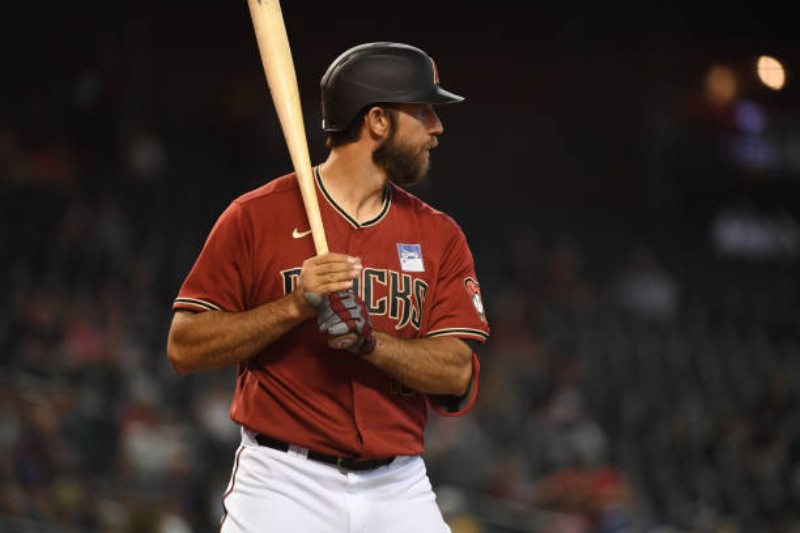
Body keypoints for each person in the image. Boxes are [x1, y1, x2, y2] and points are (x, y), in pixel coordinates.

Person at [166, 41, 491, 532]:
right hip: (283, 481)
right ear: (377, 121)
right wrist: (295, 305)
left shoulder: (439, 234)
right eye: (423, 111)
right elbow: (184, 347)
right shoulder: (255, 216)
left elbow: (457, 372)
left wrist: (371, 344)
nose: (437, 127)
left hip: (397, 484)